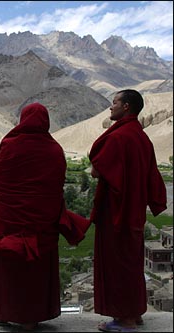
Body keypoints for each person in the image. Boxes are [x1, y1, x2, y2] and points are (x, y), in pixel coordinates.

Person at [0, 102, 90, 330]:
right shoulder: (54, 150)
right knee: (37, 272)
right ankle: (32, 317)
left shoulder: (11, 144)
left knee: (9, 271)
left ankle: (2, 312)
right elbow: (57, 183)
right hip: (42, 223)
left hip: (12, 221)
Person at [89, 89, 167, 332]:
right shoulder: (142, 137)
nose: (110, 107)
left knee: (117, 264)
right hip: (134, 212)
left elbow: (97, 170)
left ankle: (125, 320)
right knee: (131, 263)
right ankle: (135, 312)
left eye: (114, 103)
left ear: (126, 107)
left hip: (116, 213)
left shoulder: (119, 137)